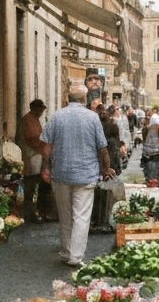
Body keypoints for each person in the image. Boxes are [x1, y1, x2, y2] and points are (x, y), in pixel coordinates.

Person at [40, 84, 113, 267]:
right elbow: (102, 147)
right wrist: (106, 168)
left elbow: (47, 146)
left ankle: (66, 251)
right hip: (86, 174)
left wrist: (46, 167)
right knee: (81, 216)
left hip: (61, 173)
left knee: (64, 215)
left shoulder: (57, 116)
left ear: (67, 98)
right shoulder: (92, 117)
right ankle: (76, 256)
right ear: (84, 100)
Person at [17, 99, 49, 222]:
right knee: (30, 186)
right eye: (40, 109)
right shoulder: (29, 120)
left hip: (35, 155)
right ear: (35, 109)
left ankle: (34, 212)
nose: (41, 112)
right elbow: (33, 138)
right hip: (31, 155)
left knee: (34, 185)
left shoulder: (33, 119)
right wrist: (44, 146)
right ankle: (29, 213)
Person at [140, 112, 159, 184]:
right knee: (153, 177)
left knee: (155, 177)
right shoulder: (150, 130)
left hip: (155, 156)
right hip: (152, 156)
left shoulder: (151, 130)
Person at [99, 105, 123, 175]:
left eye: (104, 113)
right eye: (101, 113)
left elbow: (117, 138)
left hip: (110, 150)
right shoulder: (101, 125)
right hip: (108, 150)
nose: (102, 115)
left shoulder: (112, 124)